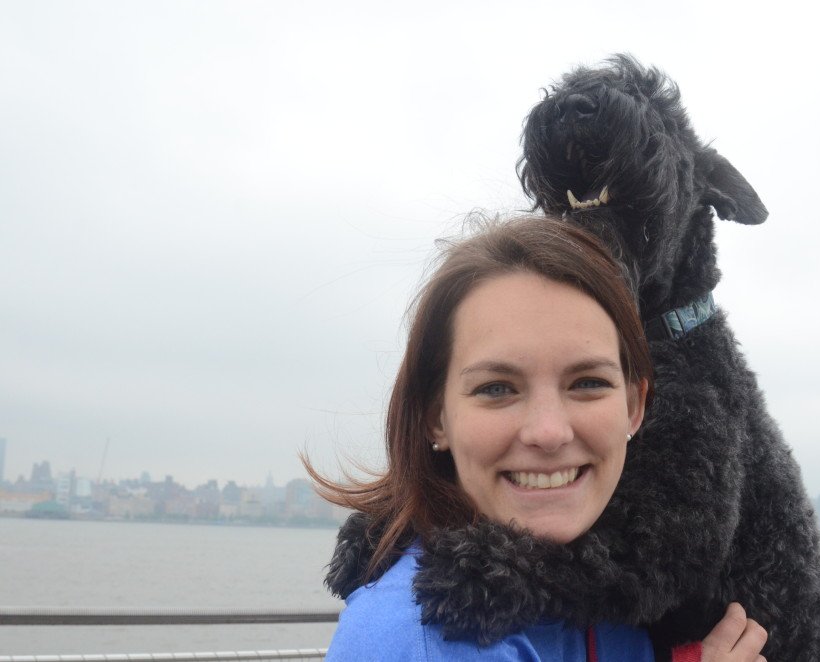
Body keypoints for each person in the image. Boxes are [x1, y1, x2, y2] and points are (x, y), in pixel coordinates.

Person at [308, 215, 768, 661]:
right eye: (497, 389)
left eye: (588, 383)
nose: (549, 433)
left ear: (634, 406)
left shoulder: (614, 597)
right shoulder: (414, 639)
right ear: (436, 418)